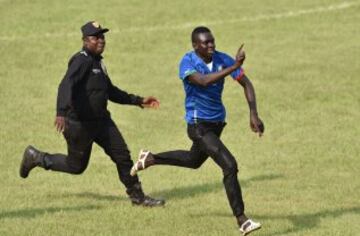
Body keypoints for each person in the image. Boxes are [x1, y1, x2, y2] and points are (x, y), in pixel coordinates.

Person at [130, 26, 264, 234]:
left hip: (217, 123)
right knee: (230, 166)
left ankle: (150, 158)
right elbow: (202, 82)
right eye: (205, 43)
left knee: (194, 161)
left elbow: (247, 84)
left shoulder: (223, 59)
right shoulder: (188, 62)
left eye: (212, 41)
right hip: (197, 125)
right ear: (195, 46)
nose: (211, 45)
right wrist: (233, 66)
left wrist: (253, 114)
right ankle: (242, 219)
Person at [19, 21, 165, 207]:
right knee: (76, 166)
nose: (101, 41)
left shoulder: (98, 62)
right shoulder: (81, 60)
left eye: (102, 36)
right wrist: (61, 112)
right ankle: (37, 157)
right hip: (79, 125)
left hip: (102, 122)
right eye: (96, 37)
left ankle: (138, 197)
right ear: (85, 40)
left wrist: (138, 100)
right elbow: (66, 84)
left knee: (123, 156)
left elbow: (109, 91)